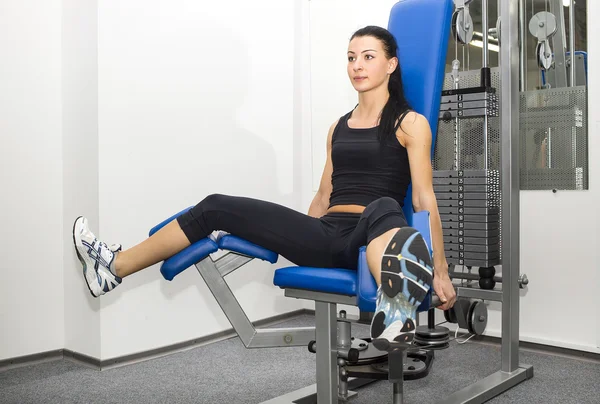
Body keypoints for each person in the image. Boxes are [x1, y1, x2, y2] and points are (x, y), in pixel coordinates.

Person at [72, 25, 456, 344]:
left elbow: (423, 199)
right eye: (351, 57)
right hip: (326, 235)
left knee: (385, 207)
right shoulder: (338, 127)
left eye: (368, 56)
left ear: (391, 64)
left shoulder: (409, 123)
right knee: (215, 204)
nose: (357, 65)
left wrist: (440, 269)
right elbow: (323, 197)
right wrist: (301, 233)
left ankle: (394, 311)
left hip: (372, 235)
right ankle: (113, 267)